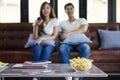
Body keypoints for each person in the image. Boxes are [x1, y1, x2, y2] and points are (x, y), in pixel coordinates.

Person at [59, 3, 91, 80]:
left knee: (86, 48)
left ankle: (77, 76)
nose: (69, 10)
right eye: (67, 9)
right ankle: (68, 76)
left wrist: (69, 33)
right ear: (65, 11)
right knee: (62, 49)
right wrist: (62, 36)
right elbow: (59, 35)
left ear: (74, 9)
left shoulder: (81, 20)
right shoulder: (62, 23)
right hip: (67, 43)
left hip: (80, 43)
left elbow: (83, 30)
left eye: (71, 8)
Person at [32, 2, 59, 80]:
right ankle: (35, 77)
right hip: (39, 43)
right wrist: (37, 25)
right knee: (37, 50)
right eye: (43, 8)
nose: (46, 10)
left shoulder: (54, 20)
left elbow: (54, 36)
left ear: (50, 10)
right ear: (41, 10)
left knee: (47, 50)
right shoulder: (37, 21)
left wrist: (42, 38)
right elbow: (35, 37)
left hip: (50, 43)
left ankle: (37, 76)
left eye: (47, 8)